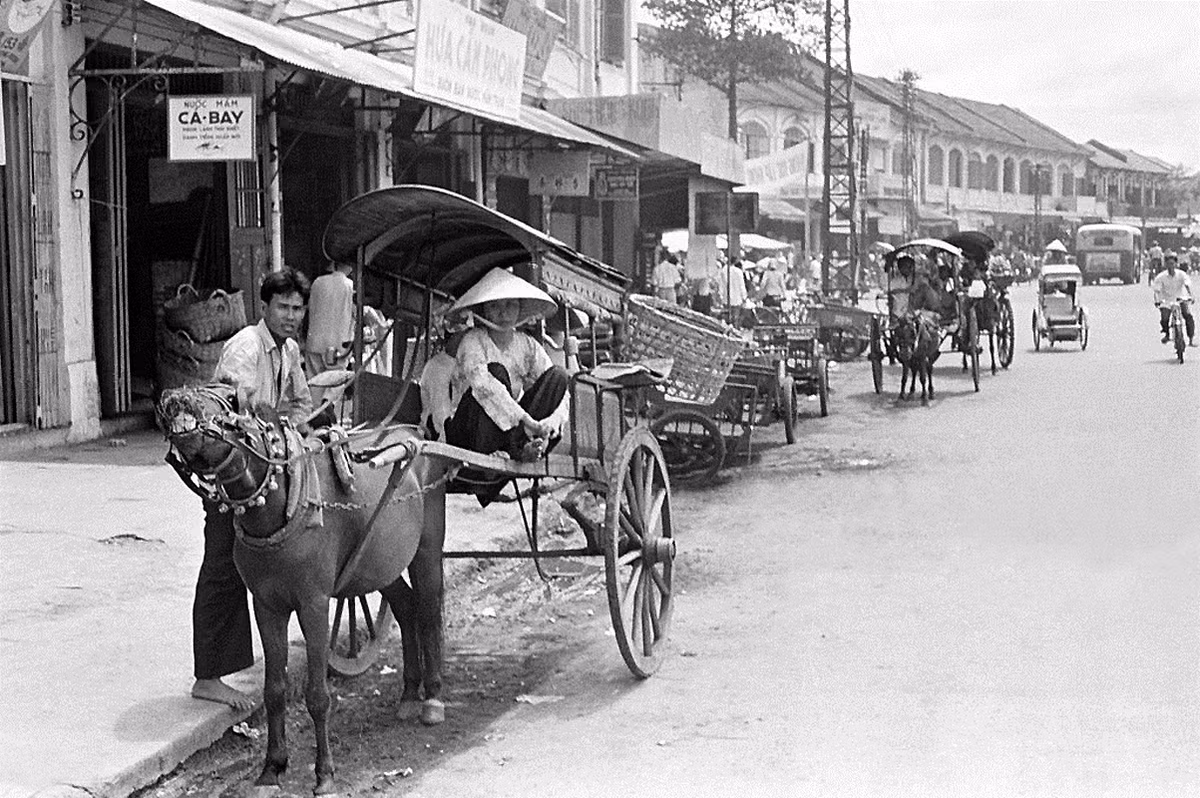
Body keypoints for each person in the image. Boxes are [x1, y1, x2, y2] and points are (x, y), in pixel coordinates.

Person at [193, 268, 313, 711]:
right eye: (283, 307)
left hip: (260, 470)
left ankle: (227, 665)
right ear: (265, 308)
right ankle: (208, 677)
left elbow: (301, 403)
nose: (290, 316)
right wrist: (264, 419)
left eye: (297, 308)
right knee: (223, 563)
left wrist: (291, 429)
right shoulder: (246, 346)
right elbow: (226, 409)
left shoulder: (289, 350)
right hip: (227, 471)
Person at [443, 267, 570, 478]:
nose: (503, 313)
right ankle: (515, 447)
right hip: (469, 432)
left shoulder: (527, 345)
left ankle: (523, 448)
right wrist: (527, 420)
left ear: (520, 308)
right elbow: (483, 385)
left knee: (558, 376)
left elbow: (562, 394)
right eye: (495, 306)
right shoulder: (473, 340)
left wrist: (550, 423)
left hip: (511, 434)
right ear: (484, 310)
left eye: (510, 305)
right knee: (496, 372)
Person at [304, 261, 356, 413]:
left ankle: (315, 413)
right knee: (336, 378)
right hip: (337, 344)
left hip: (314, 340)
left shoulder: (317, 282)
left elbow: (310, 308)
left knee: (315, 380)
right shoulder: (350, 286)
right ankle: (328, 405)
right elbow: (359, 311)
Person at [1151, 253, 1195, 345]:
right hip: (1167, 301)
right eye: (1168, 264)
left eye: (1172, 263)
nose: (1170, 266)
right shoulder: (1161, 277)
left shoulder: (1182, 274)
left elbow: (1187, 285)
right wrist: (1157, 301)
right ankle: (1167, 334)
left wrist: (1191, 296)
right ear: (1165, 265)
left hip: (1180, 299)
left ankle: (1191, 338)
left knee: (1188, 315)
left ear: (1176, 264)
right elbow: (1157, 291)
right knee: (1164, 318)